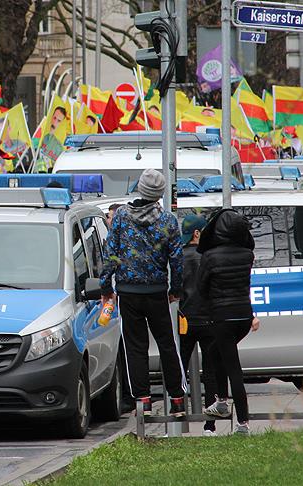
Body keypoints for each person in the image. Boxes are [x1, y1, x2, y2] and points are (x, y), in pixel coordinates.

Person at [99, 169, 186, 418]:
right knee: (167, 345)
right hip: (157, 291)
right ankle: (178, 400)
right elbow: (177, 260)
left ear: (139, 188)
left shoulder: (122, 217)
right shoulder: (168, 221)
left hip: (128, 292)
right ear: (159, 193)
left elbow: (110, 254)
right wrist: (175, 289)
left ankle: (143, 401)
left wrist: (107, 287)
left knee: (136, 347)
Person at [197, 209, 260, 435]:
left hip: (222, 316)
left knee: (233, 368)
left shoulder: (210, 257)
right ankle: (222, 402)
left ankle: (241, 420)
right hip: (244, 315)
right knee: (215, 354)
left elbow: (202, 287)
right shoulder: (247, 255)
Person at [178, 214, 218, 436]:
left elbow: (174, 290)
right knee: (211, 372)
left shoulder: (179, 257)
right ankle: (210, 424)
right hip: (209, 319)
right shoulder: (209, 257)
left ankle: (177, 419)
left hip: (185, 321)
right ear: (198, 234)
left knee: (179, 370)